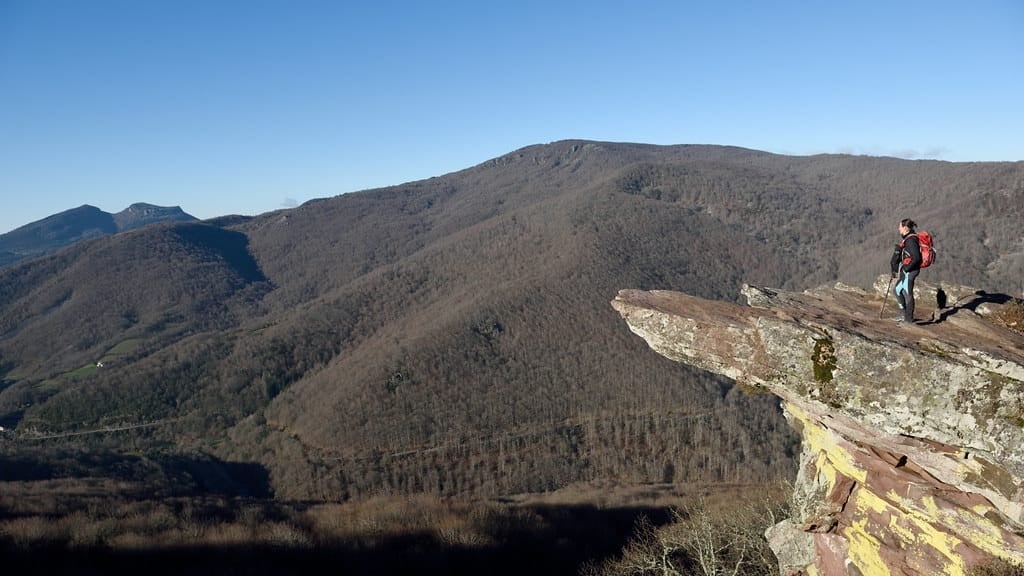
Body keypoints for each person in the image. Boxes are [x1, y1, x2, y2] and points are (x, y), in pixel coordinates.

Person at [890, 218, 922, 323]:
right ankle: (904, 316)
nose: (898, 229)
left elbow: (916, 258)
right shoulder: (908, 238)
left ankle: (908, 319)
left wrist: (907, 268)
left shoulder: (911, 240)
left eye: (900, 227)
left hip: (910, 271)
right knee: (897, 290)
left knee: (908, 294)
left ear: (905, 228)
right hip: (907, 271)